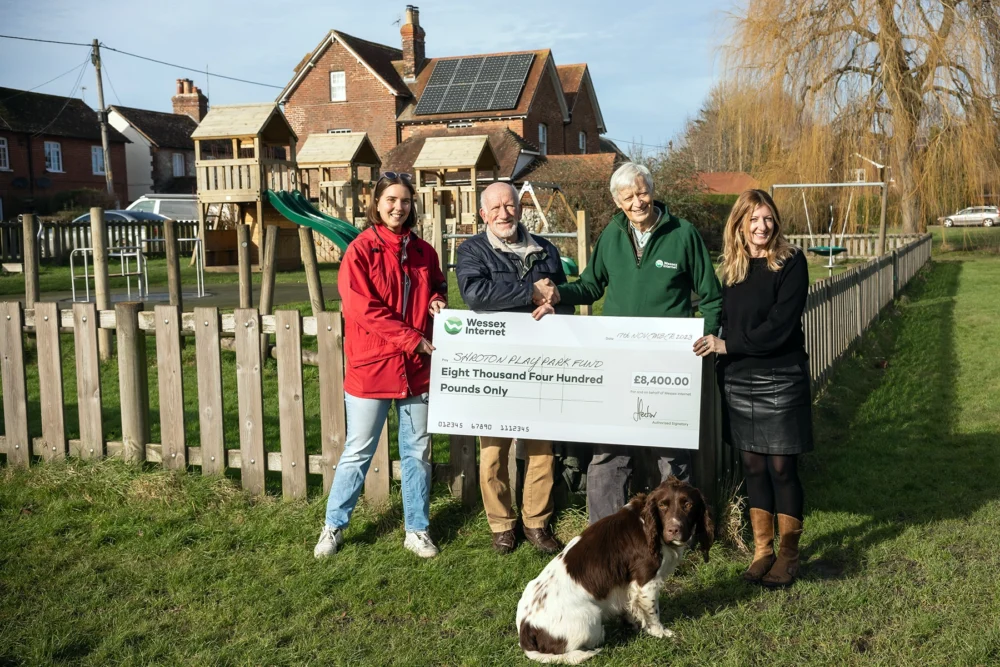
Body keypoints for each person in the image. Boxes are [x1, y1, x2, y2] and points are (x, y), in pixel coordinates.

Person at [534, 162, 723, 524]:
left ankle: (678, 534)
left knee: (672, 453)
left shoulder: (683, 234)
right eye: (628, 196)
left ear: (652, 191)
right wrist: (559, 294)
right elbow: (591, 285)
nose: (638, 202)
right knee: (609, 451)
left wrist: (708, 334)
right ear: (617, 202)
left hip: (668, 362)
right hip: (618, 360)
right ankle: (604, 535)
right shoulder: (611, 235)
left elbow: (711, 295)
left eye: (642, 192)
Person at [314, 172, 447, 560]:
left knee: (418, 451)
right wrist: (412, 339)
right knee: (358, 451)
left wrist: (438, 300)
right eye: (390, 200)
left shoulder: (424, 252)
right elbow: (363, 309)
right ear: (376, 204)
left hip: (417, 370)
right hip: (372, 368)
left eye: (404, 201)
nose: (398, 207)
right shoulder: (360, 251)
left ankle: (417, 529)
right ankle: (334, 527)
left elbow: (436, 284)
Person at [693, 188, 812, 588]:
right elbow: (715, 311)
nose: (762, 227)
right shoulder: (730, 269)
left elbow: (780, 326)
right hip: (739, 378)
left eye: (768, 219)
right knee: (753, 466)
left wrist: (728, 344)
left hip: (780, 375)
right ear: (739, 224)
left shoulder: (791, 263)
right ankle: (763, 550)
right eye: (754, 219)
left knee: (781, 465)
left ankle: (789, 555)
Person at [455, 182, 572, 554]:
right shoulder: (472, 250)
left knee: (541, 447)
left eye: (511, 205)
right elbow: (475, 296)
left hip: (539, 362)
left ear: (520, 209)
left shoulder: (546, 249)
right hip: (495, 365)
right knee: (493, 451)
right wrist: (530, 293)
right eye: (496, 207)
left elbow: (563, 297)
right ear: (483, 215)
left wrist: (555, 302)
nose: (505, 213)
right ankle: (501, 525)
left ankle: (537, 522)